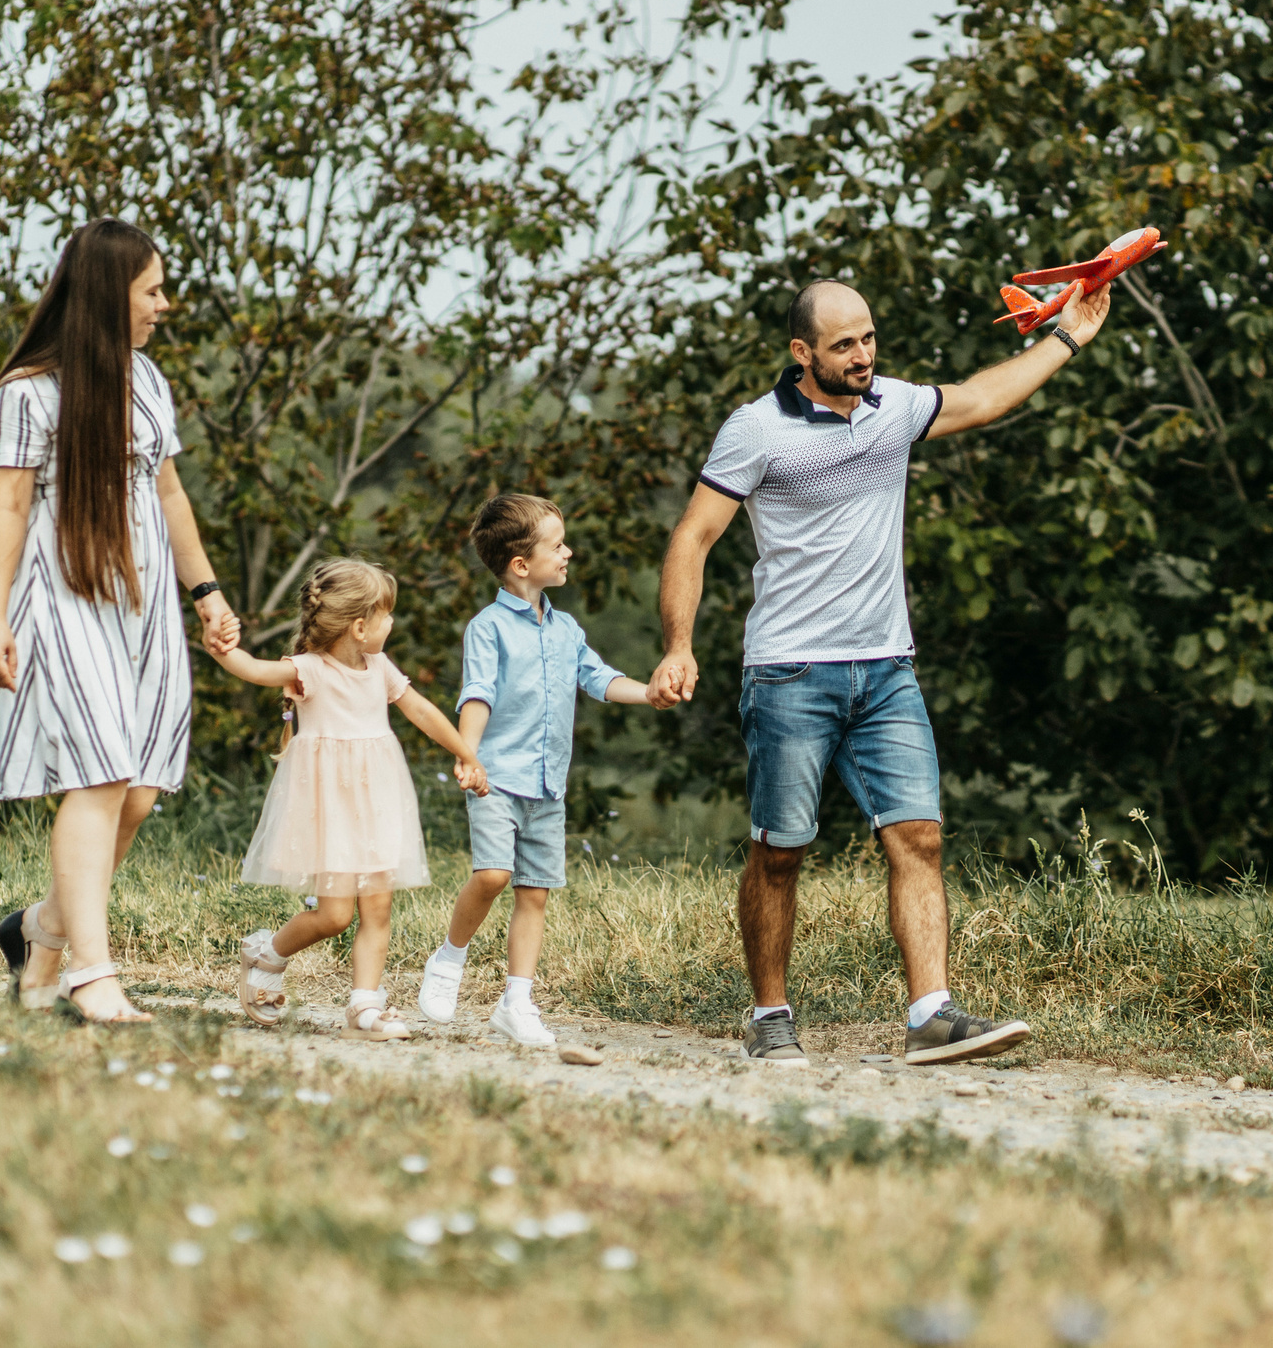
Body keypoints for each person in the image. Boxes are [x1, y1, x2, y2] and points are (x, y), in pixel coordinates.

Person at [647, 276, 1116, 1066]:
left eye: (868, 338)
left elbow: (976, 399)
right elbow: (692, 538)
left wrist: (1066, 337)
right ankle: (769, 1014)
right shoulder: (756, 430)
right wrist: (679, 643)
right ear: (802, 352)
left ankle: (931, 1012)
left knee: (920, 837)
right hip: (790, 672)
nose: (863, 355)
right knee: (781, 850)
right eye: (843, 345)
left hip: (887, 670)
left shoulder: (892, 405)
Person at [0, 218, 242, 1026]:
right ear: (108, 294)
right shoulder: (24, 395)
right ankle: (93, 975)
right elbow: (6, 511)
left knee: (141, 789)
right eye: (152, 289)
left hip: (149, 604)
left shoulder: (147, 381)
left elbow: (168, 493)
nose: (165, 303)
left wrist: (207, 592)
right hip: (62, 598)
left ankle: (39, 930)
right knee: (98, 776)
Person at [417, 493, 667, 1046]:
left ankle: (517, 1001)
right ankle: (448, 960)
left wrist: (649, 692)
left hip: (548, 783)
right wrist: (468, 753)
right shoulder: (487, 628)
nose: (569, 552)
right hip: (496, 776)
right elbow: (477, 693)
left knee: (534, 892)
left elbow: (600, 680)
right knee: (493, 875)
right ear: (520, 565)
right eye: (558, 545)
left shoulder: (567, 629)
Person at [216, 558, 488, 1040]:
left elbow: (421, 710)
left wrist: (466, 753)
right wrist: (224, 651)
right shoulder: (309, 670)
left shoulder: (380, 666)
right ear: (360, 627)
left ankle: (365, 1006)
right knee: (335, 916)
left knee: (378, 909)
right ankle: (268, 952)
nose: (392, 623)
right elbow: (254, 670)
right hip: (330, 810)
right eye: (387, 615)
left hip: (377, 802)